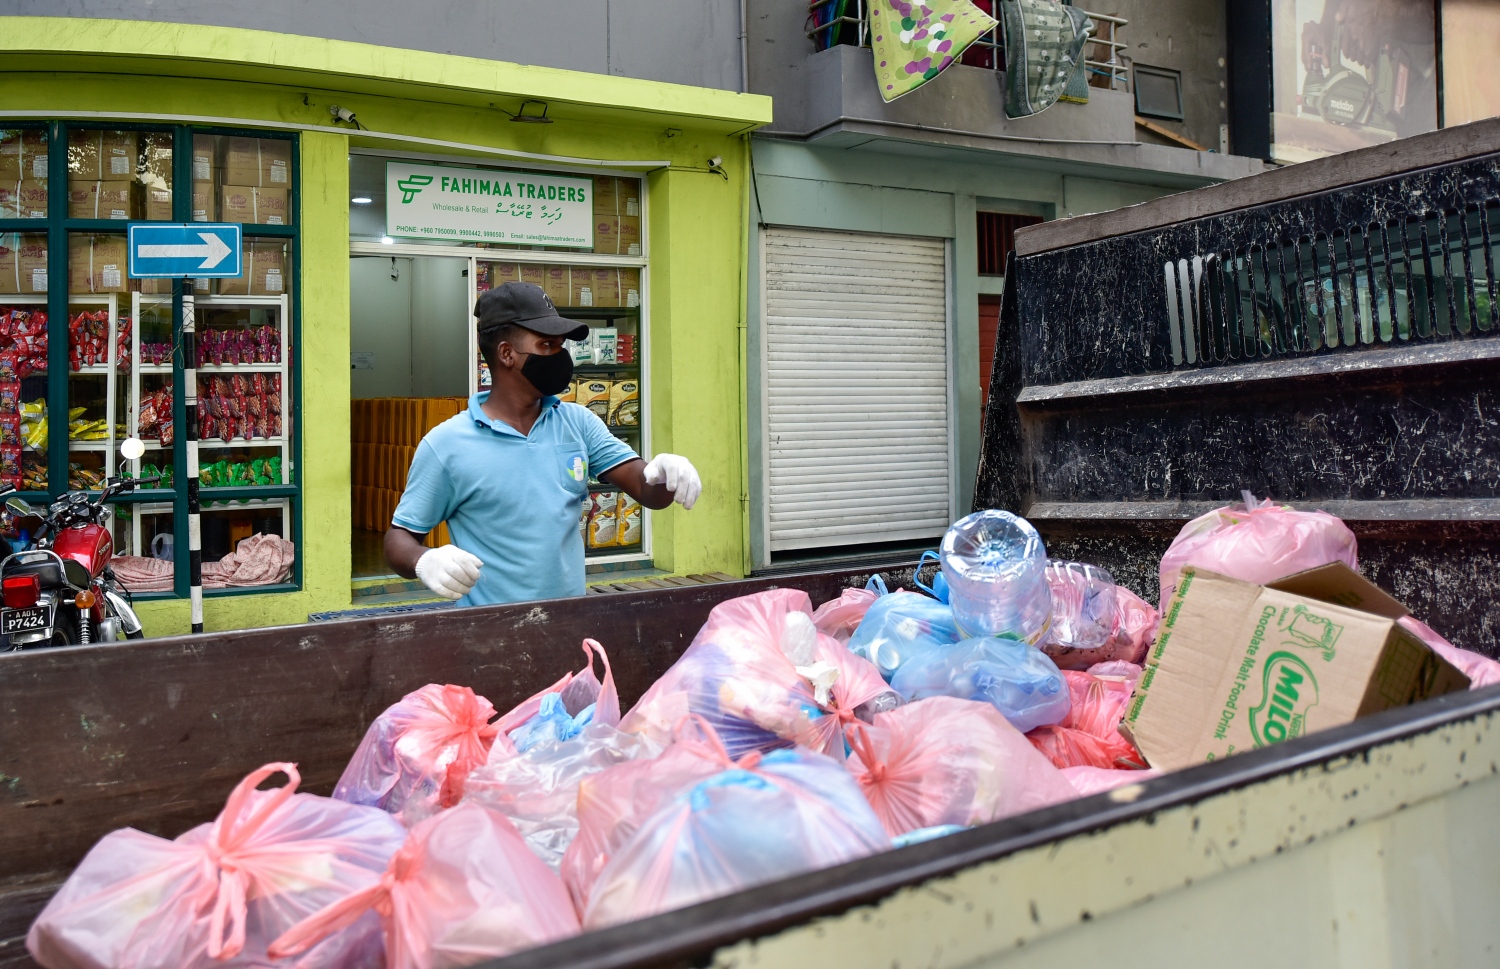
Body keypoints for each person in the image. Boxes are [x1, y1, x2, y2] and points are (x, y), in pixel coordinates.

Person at [384, 281, 700, 605]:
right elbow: (399, 538)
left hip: (569, 626)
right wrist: (423, 560)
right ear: (507, 354)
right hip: (486, 635)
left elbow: (646, 490)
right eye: (547, 346)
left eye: (561, 346)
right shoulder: (446, 445)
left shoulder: (578, 423)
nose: (559, 357)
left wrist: (664, 474)